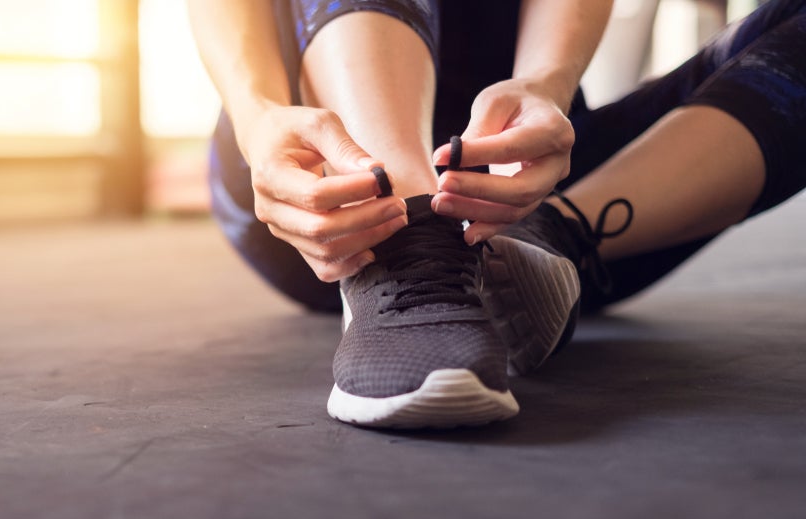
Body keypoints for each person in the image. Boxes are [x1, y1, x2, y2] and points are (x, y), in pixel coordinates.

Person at [188, 0, 806, 428]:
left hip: (528, 179)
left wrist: (546, 85)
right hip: (310, 174)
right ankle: (403, 234)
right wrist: (257, 116)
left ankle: (557, 233)